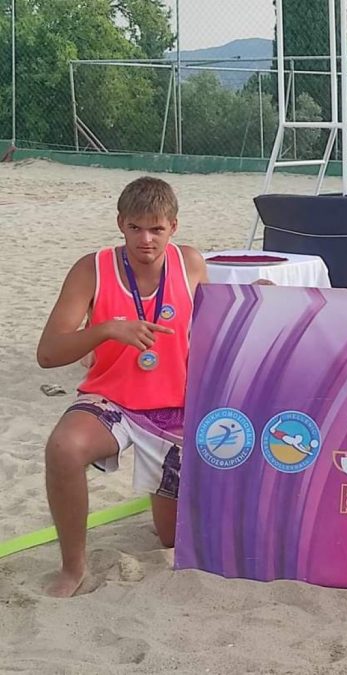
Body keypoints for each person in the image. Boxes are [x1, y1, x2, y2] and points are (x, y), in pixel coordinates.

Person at [36, 176, 207, 597]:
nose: (145, 239)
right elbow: (48, 353)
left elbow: (216, 325)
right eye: (135, 227)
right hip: (111, 400)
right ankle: (73, 568)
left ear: (174, 227)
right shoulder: (91, 268)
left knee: (171, 541)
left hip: (175, 411)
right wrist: (106, 330)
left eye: (156, 228)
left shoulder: (189, 264)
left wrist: (256, 297)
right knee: (63, 447)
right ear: (120, 223)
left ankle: (165, 501)